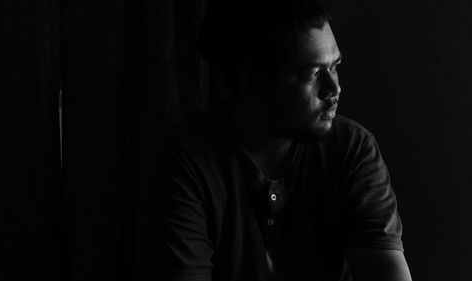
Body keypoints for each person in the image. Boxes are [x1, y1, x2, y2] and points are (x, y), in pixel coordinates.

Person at [148, 0, 413, 280]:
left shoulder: (353, 148)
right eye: (312, 74)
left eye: (334, 66)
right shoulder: (188, 160)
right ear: (253, 83)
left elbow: (386, 272)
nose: (334, 88)